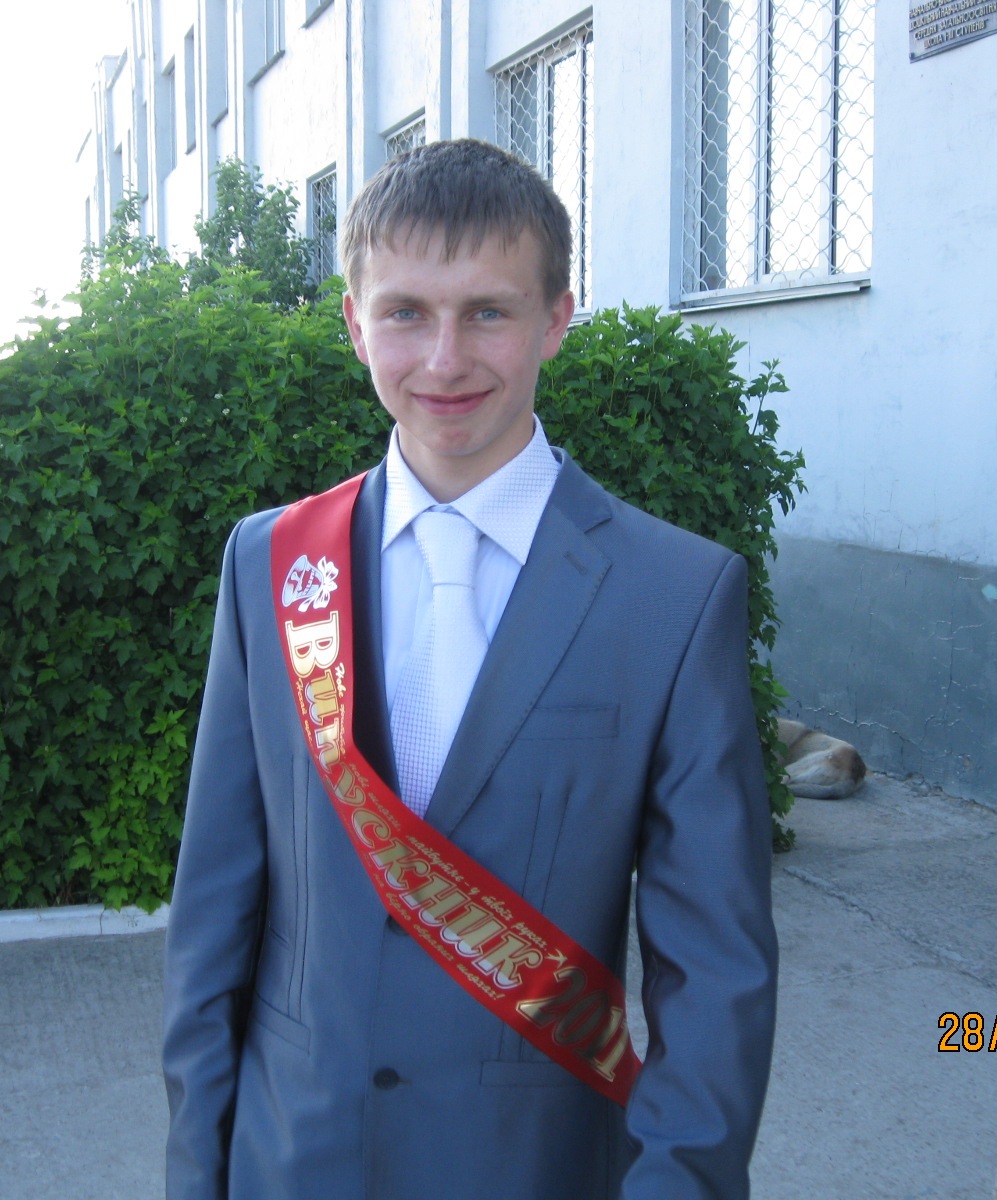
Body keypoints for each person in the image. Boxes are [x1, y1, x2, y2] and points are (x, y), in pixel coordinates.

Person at [162, 138, 777, 1200]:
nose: (444, 360)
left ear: (556, 319)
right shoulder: (271, 564)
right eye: (405, 312)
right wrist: (195, 1175)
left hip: (535, 1168)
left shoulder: (673, 597)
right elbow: (214, 911)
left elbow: (715, 977)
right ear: (354, 324)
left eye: (487, 311)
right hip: (293, 1160)